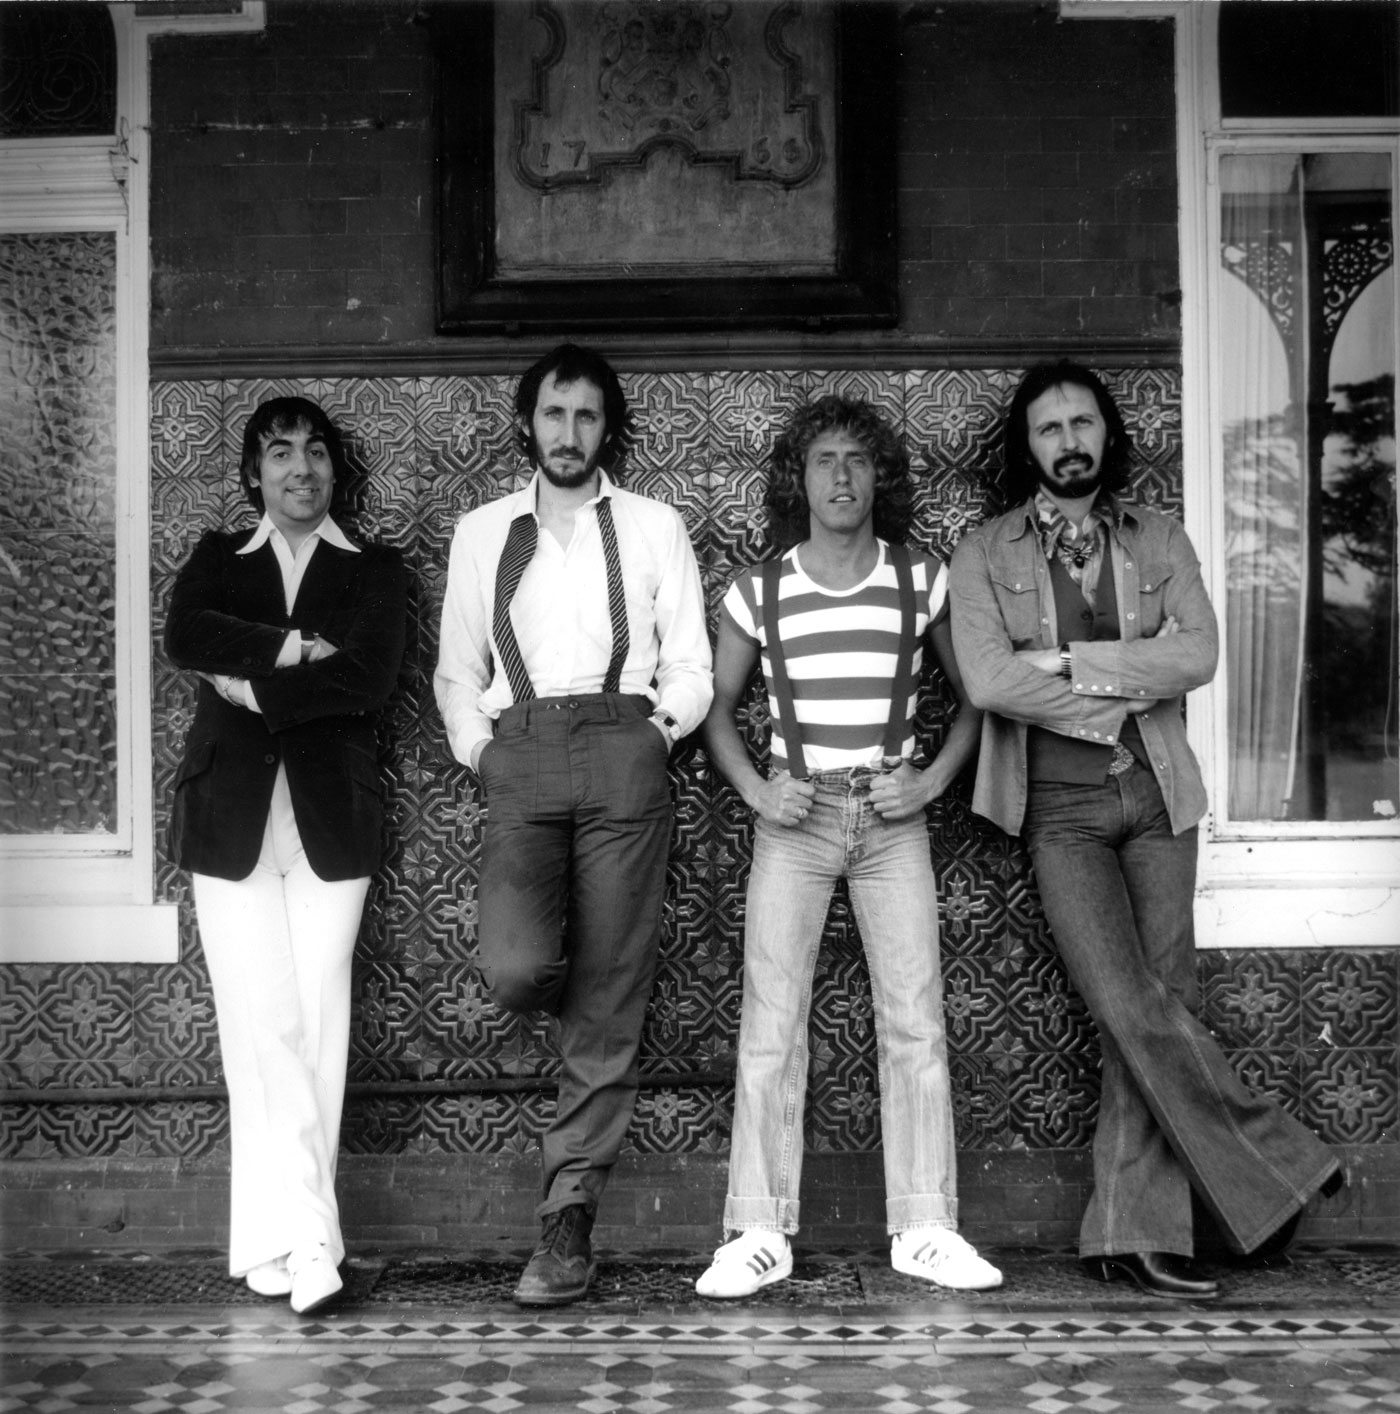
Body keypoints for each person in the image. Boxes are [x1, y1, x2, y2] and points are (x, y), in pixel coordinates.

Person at [949, 361, 1342, 1298]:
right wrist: (1122, 684)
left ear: (1107, 433)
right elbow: (990, 681)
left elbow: (1198, 654)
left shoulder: (1159, 535)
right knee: (1129, 1006)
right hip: (1060, 811)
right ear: (1027, 446)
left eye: (1083, 422)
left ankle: (1136, 1234)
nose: (1069, 441)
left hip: (1161, 795)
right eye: (1050, 428)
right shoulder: (984, 551)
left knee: (1164, 1002)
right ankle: (1283, 1164)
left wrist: (1070, 663)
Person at [694, 394, 1002, 1299]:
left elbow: (978, 698)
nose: (840, 476)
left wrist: (930, 782)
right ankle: (758, 1229)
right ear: (799, 479)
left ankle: (925, 1227)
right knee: (771, 1024)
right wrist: (759, 790)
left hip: (891, 819)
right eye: (823, 460)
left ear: (879, 477)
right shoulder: (759, 590)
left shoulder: (920, 580)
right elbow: (714, 711)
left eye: (857, 460)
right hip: (795, 823)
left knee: (915, 1020)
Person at [434, 343, 713, 1307]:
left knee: (608, 1000)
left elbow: (690, 662)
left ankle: (568, 1220)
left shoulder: (652, 525)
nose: (568, 432)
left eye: (586, 415)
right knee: (516, 968)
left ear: (608, 429)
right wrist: (484, 752)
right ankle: (592, 1000)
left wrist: (656, 736)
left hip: (624, 745)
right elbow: (457, 670)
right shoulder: (484, 532)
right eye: (554, 414)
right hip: (520, 748)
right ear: (529, 424)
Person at [165, 396, 408, 1316]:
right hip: (226, 818)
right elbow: (187, 635)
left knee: (314, 1022)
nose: (299, 468)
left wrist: (255, 689)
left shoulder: (375, 570)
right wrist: (300, 649)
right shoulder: (217, 559)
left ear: (335, 470)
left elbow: (371, 676)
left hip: (331, 821)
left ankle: (284, 1242)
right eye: (279, 453)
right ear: (254, 473)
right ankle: (308, 1242)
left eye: (315, 452)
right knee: (260, 1027)